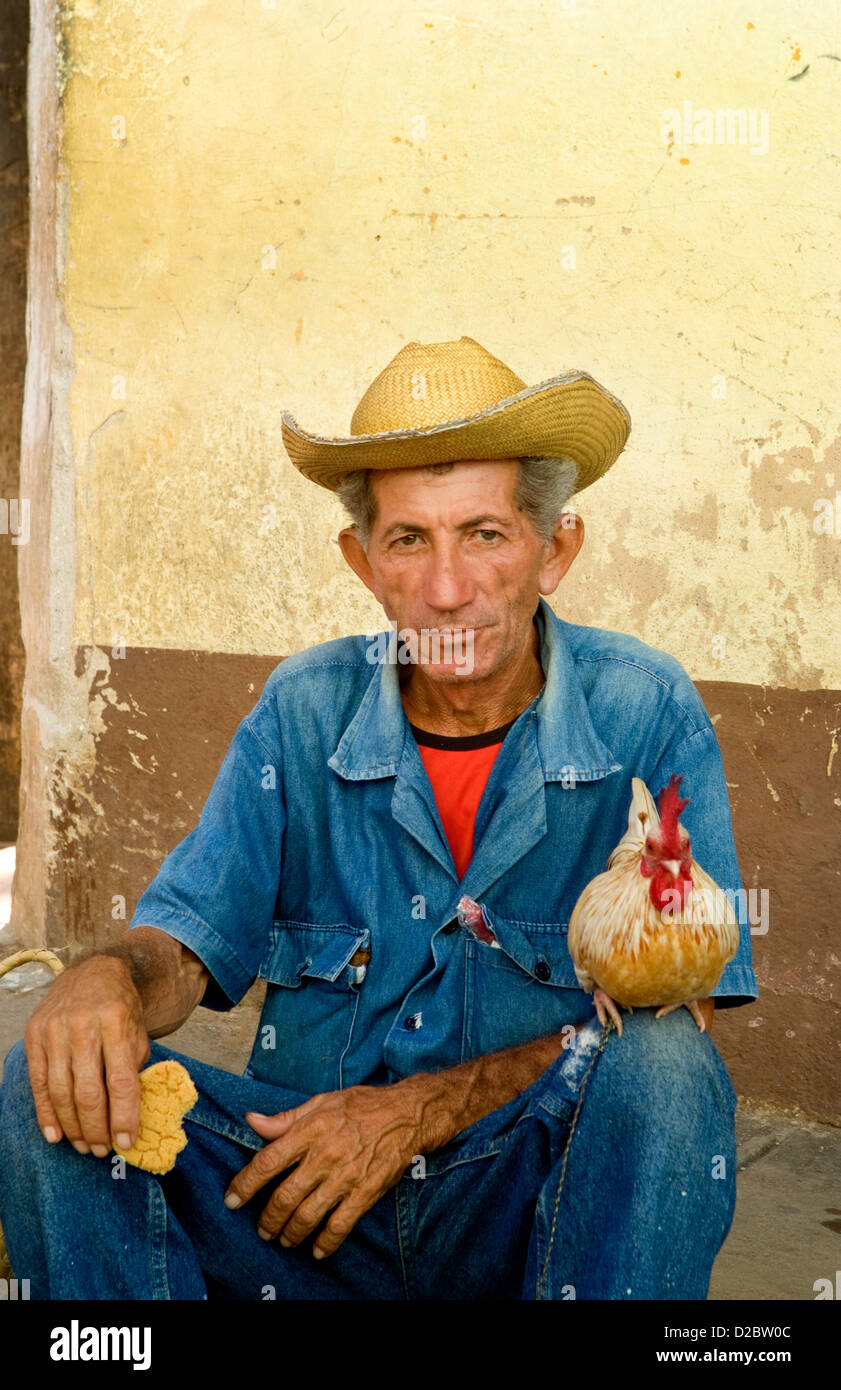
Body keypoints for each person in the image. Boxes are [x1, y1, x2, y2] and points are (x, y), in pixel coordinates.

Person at [0, 336, 757, 1300]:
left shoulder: (644, 711)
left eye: (484, 534)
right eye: (409, 540)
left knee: (665, 1069)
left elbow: (683, 1001)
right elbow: (184, 947)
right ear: (363, 561)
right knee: (52, 1082)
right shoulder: (302, 711)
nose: (446, 589)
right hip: (298, 1205)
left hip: (526, 1205)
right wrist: (102, 978)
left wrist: (417, 1110)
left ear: (552, 549)